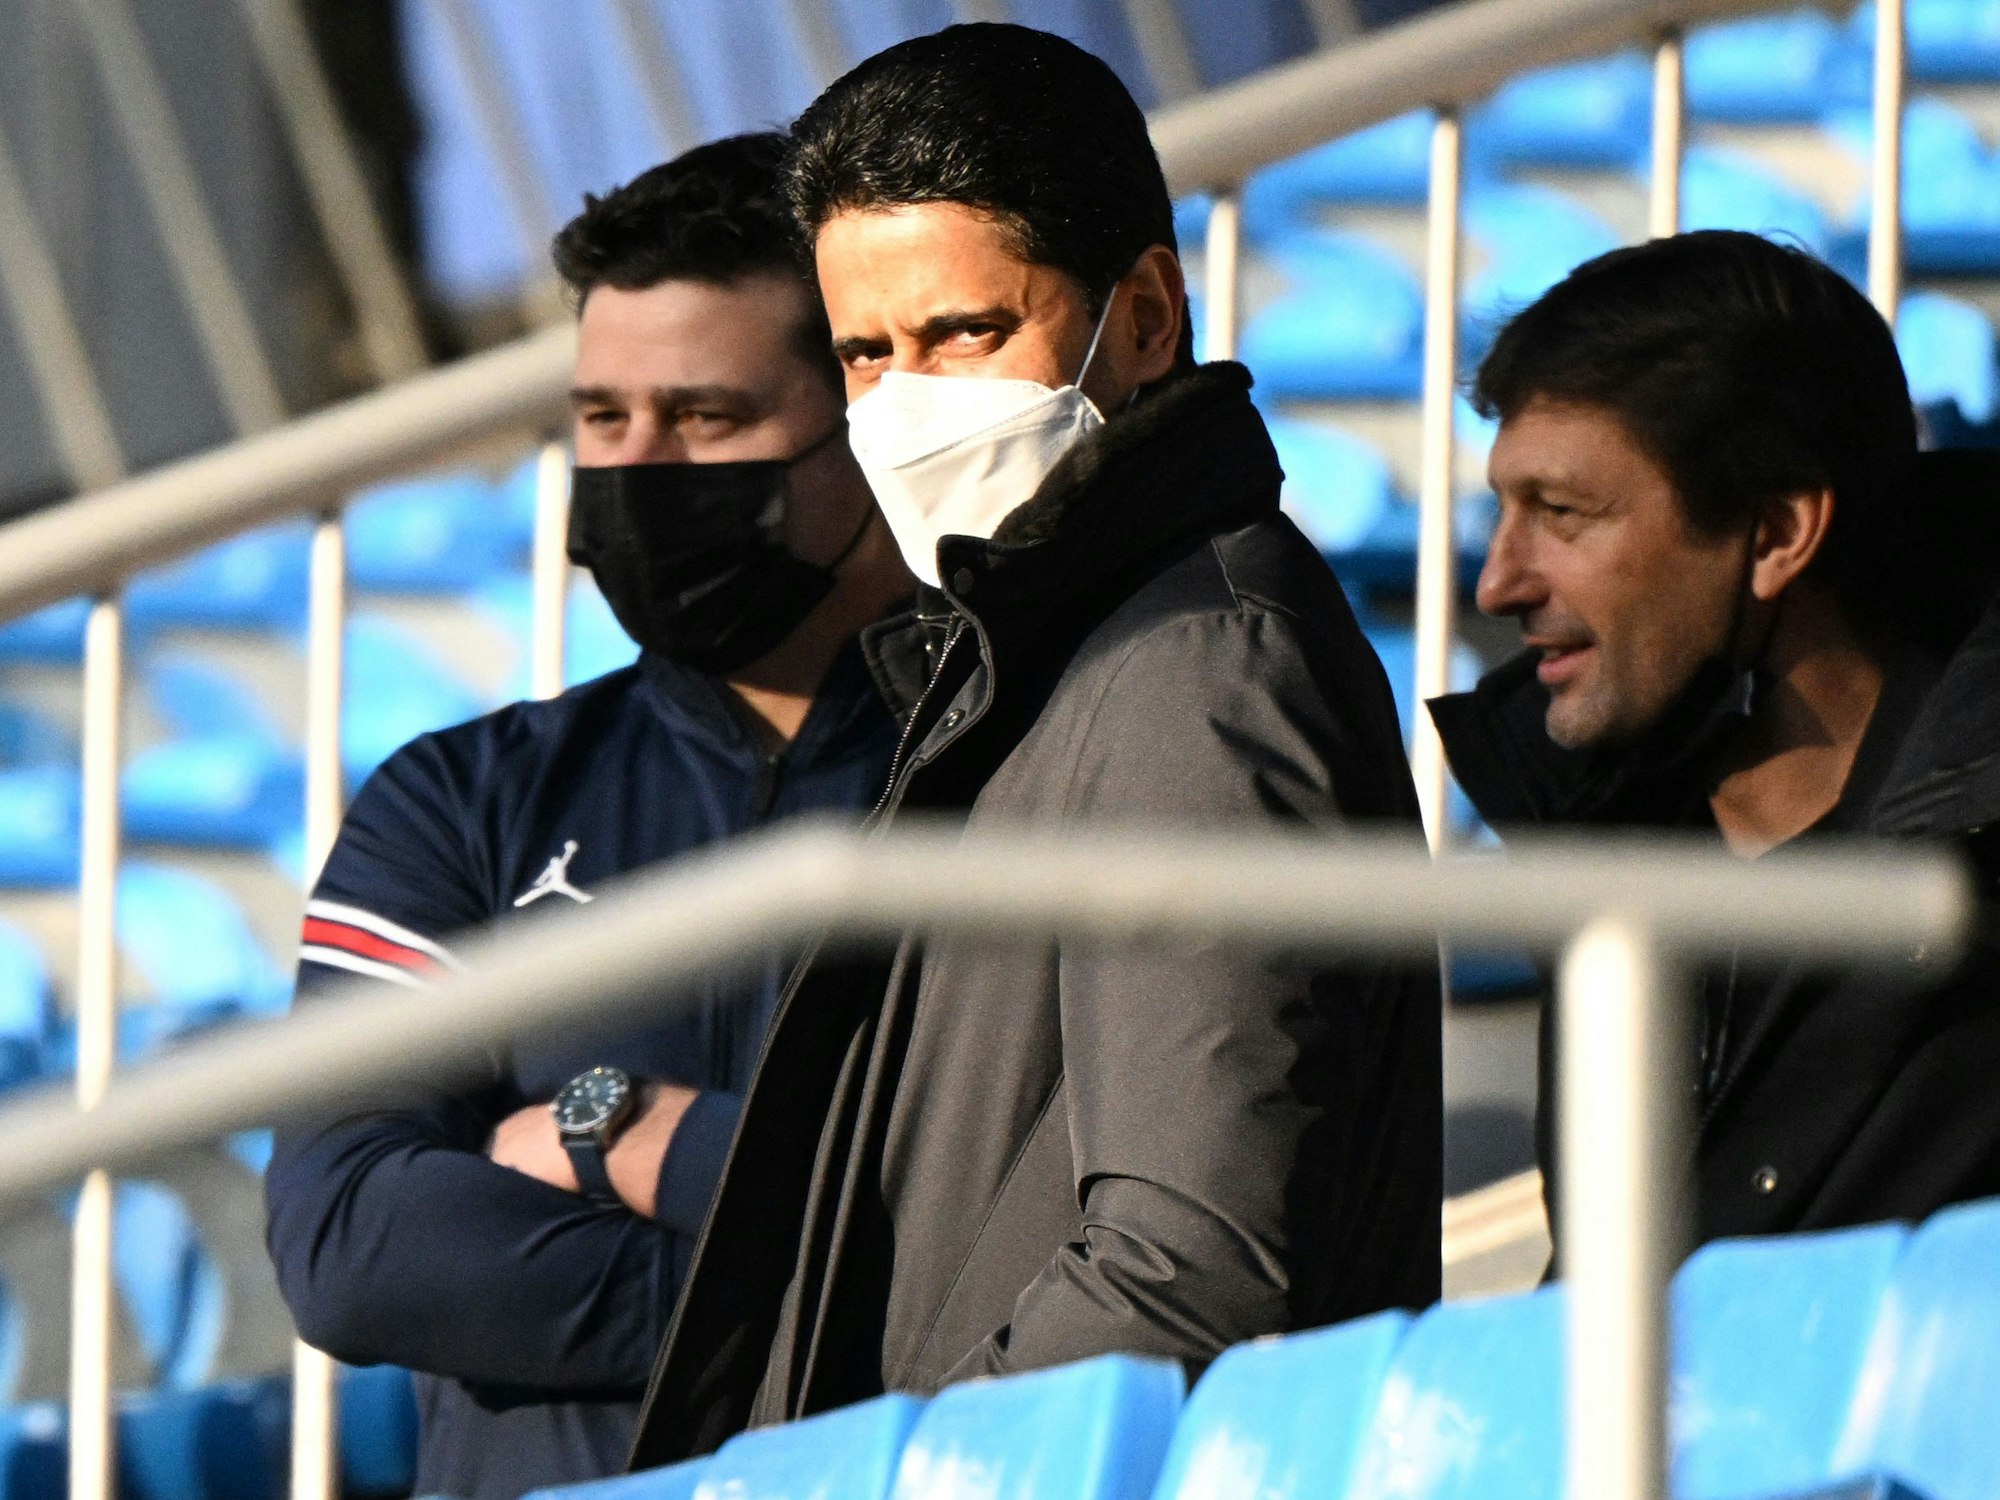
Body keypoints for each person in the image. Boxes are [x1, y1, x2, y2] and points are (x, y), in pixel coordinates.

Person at [630, 25, 1441, 1468]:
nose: (907, 405)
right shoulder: (1034, 650)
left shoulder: (1195, 666)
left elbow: (1190, 1264)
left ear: (1142, 317)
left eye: (964, 334)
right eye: (864, 355)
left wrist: (879, 1482)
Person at [263, 133, 913, 1500]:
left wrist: (602, 1131)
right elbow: (351, 1239)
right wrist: (811, 1308)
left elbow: (999, 1203)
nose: (643, 468)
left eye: (709, 417)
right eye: (604, 420)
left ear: (865, 420)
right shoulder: (457, 799)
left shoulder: (1010, 771)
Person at [1428, 229, 2000, 1249]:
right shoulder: (1593, 830)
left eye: (1561, 514)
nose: (1496, 585)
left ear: (1777, 534)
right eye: (1501, 512)